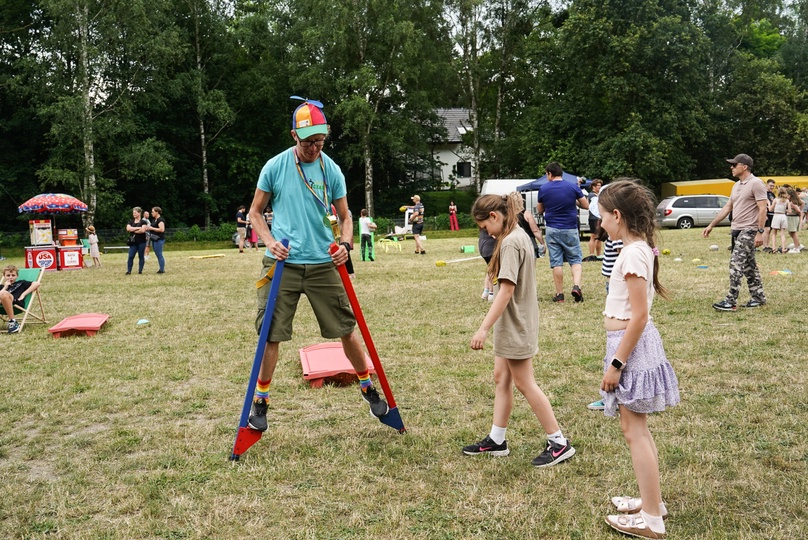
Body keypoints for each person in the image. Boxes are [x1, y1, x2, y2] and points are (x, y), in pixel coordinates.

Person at [244, 97, 389, 433]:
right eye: (309, 142)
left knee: (346, 330)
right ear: (294, 135)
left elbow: (345, 215)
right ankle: (261, 401)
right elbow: (255, 213)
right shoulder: (275, 167)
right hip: (283, 263)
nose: (314, 148)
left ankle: (367, 387)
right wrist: (269, 241)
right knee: (270, 334)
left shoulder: (331, 169)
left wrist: (346, 243)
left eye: (320, 141)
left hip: (324, 263)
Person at [463, 192, 576, 467]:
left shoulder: (511, 242)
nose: (486, 234)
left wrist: (483, 329)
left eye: (485, 227)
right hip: (513, 322)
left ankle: (559, 443)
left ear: (494, 216)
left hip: (516, 323)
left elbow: (506, 290)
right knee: (501, 378)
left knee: (525, 383)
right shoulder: (515, 235)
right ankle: (497, 440)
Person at [596, 180, 680, 539]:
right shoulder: (637, 248)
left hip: (630, 347)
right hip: (629, 344)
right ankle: (652, 503)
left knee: (635, 432)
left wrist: (617, 363)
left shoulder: (631, 253)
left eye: (602, 217)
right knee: (636, 430)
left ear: (617, 216)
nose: (600, 225)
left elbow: (639, 315)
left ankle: (651, 520)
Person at [703, 154, 768, 311]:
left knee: (735, 263)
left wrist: (760, 232)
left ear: (744, 167)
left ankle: (730, 301)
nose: (731, 167)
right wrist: (711, 224)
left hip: (749, 230)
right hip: (736, 230)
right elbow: (727, 207)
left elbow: (763, 208)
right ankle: (758, 297)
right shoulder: (736, 185)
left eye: (734, 165)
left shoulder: (756, 183)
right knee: (748, 266)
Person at [537, 162, 589, 302]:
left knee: (556, 262)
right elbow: (586, 205)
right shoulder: (572, 187)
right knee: (575, 259)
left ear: (549, 173)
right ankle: (576, 286)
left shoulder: (543, 188)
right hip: (570, 228)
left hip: (552, 228)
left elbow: (540, 210)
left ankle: (560, 295)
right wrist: (574, 201)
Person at [588, 224, 623, 412]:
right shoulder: (614, 231)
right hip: (613, 285)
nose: (601, 223)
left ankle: (616, 397)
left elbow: (621, 257)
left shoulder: (618, 233)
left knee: (617, 346)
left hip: (616, 286)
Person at [1, 265, 40, 334]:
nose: (10, 277)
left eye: (13, 275)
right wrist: (5, 287)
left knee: (4, 294)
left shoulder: (21, 283)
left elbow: (36, 284)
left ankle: (13, 322)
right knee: (3, 293)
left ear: (17, 276)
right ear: (4, 276)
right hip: (2, 303)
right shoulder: (2, 287)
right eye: (8, 275)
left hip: (16, 303)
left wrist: (23, 294)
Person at [125, 207, 149, 275]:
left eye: (135, 213)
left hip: (141, 242)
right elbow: (128, 229)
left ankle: (140, 270)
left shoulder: (143, 222)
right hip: (133, 243)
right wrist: (138, 228)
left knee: (141, 256)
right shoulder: (131, 221)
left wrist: (133, 229)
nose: (133, 214)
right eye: (133, 213)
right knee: (130, 256)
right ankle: (129, 270)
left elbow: (143, 230)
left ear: (139, 213)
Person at [586, 179, 604, 261]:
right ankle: (592, 254)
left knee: (599, 237)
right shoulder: (592, 195)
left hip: (600, 218)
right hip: (593, 218)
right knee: (593, 236)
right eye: (598, 186)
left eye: (600, 186)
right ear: (593, 187)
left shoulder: (599, 195)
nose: (600, 187)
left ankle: (599, 254)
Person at [768, 187, 789, 253]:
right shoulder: (787, 201)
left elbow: (770, 209)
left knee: (774, 233)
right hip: (783, 216)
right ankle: (783, 248)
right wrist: (784, 209)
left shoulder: (775, 200)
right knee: (782, 234)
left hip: (776, 215)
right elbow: (789, 211)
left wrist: (769, 204)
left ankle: (774, 248)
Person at [478, 226, 496, 301]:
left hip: (483, 247)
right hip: (490, 248)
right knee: (494, 271)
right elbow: (495, 235)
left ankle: (486, 292)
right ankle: (491, 294)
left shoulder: (482, 224)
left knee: (490, 269)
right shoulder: (491, 224)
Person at [147, 206, 167, 273]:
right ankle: (161, 268)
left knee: (159, 254)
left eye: (152, 212)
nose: (151, 213)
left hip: (159, 239)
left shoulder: (160, 220)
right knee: (157, 254)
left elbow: (162, 229)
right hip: (154, 239)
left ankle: (162, 269)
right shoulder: (154, 220)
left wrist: (152, 228)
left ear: (157, 212)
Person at [785, 187, 803, 252]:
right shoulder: (793, 202)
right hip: (792, 218)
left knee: (793, 233)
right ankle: (798, 244)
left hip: (793, 218)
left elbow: (798, 210)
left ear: (789, 196)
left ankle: (796, 247)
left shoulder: (792, 203)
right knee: (791, 232)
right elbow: (802, 203)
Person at [761, 179, 777, 252]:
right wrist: (765, 214)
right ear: (766, 185)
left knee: (770, 230)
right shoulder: (763, 193)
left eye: (773, 186)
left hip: (772, 214)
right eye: (771, 185)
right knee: (766, 230)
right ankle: (765, 246)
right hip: (766, 213)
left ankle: (767, 245)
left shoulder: (772, 194)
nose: (772, 187)